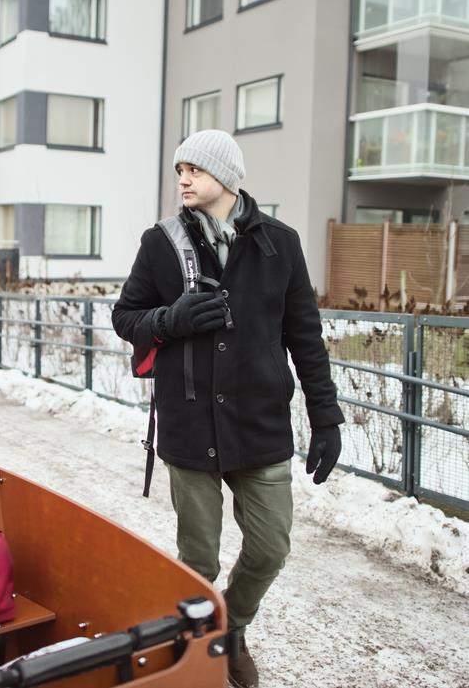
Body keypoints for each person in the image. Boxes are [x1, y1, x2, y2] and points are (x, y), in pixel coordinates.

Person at [111, 129, 343, 688]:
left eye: (194, 169)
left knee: (269, 548)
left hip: (259, 423)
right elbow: (126, 318)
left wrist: (326, 414)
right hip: (190, 424)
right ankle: (198, 656)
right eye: (179, 170)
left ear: (228, 177)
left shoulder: (280, 244)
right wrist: (173, 320)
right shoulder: (160, 242)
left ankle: (229, 628)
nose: (183, 179)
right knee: (198, 563)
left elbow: (305, 337)